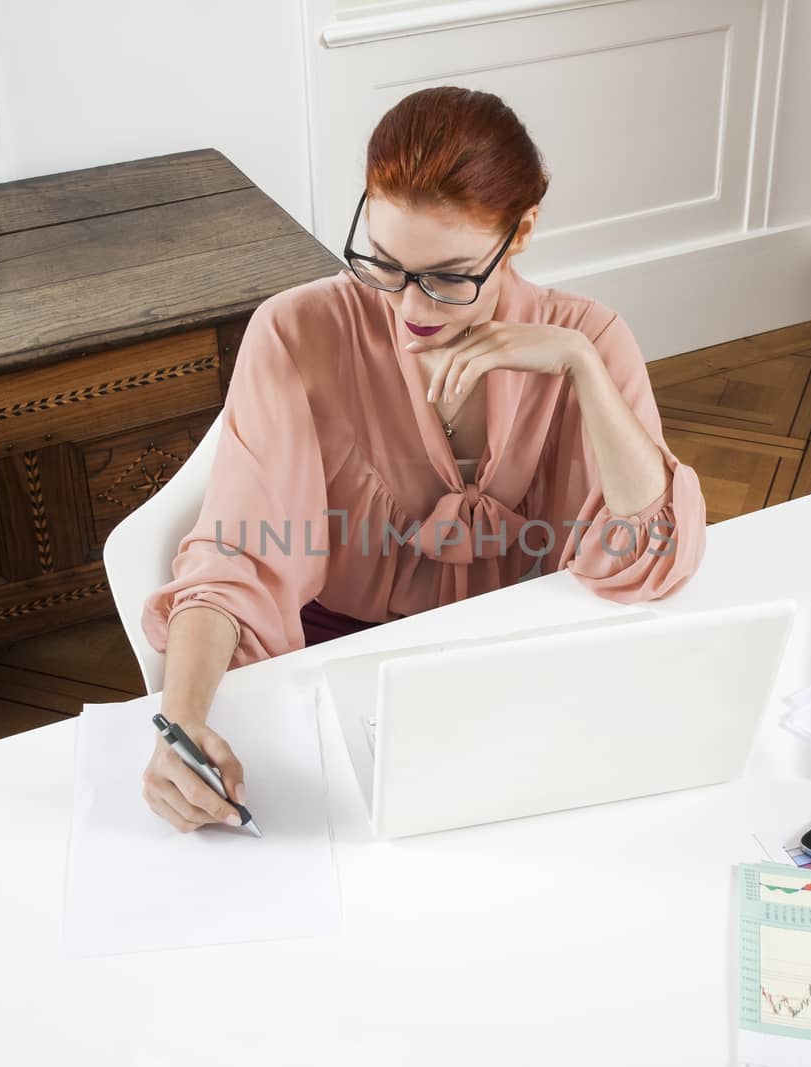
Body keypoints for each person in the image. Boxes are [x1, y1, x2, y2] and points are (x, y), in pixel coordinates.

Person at [139, 86, 707, 833]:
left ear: (523, 230)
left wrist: (580, 366)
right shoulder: (295, 332)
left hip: (524, 667)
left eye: (447, 277)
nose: (410, 307)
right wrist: (178, 724)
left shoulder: (588, 334)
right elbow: (233, 560)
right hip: (346, 671)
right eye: (382, 263)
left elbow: (650, 553)